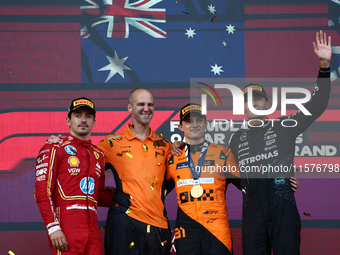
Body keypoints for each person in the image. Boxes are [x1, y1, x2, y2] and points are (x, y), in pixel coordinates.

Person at [228, 30, 332, 255]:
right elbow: (229, 174)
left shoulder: (284, 127)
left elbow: (316, 106)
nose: (253, 104)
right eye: (248, 102)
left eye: (258, 100)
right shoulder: (236, 139)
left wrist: (324, 66)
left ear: (267, 105)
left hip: (283, 211)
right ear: (243, 109)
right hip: (252, 216)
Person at [97, 88, 173, 255]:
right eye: (141, 104)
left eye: (150, 104)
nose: (146, 108)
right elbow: (84, 165)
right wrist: (62, 142)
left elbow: (176, 178)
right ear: (129, 108)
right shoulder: (110, 144)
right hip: (124, 222)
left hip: (158, 224)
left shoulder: (166, 146)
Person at [35, 97, 114, 255]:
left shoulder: (99, 154)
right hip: (66, 224)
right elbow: (42, 192)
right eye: (78, 115)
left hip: (92, 227)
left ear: (94, 122)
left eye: (88, 116)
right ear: (68, 120)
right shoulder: (54, 147)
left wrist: (129, 196)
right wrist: (53, 227)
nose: (83, 120)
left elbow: (98, 195)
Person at [166, 103, 240, 255]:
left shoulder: (224, 153)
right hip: (186, 229)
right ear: (180, 127)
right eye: (189, 121)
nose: (194, 125)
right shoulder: (172, 157)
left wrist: (281, 182)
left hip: (217, 229)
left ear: (206, 124)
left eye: (199, 120)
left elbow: (249, 184)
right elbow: (154, 193)